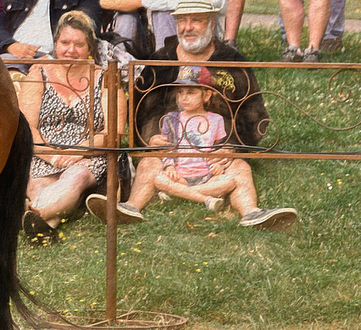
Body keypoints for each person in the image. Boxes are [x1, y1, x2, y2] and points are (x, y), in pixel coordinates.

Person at [92, 73, 297, 230]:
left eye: (190, 92)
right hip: (178, 175)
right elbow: (168, 147)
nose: (183, 98)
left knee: (238, 171)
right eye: (180, 93)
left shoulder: (216, 120)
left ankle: (251, 213)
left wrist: (220, 159)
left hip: (206, 177)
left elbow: (219, 145)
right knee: (149, 163)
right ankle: (130, 208)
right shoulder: (171, 119)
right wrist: (169, 164)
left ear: (207, 94)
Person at [17, 11, 123, 245]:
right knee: (40, 184)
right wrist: (54, 156)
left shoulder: (105, 78)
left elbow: (113, 133)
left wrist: (78, 151)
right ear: (55, 44)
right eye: (65, 43)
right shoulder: (38, 74)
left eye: (79, 44)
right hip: (43, 152)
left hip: (89, 155)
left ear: (90, 49)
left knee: (75, 176)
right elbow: (28, 129)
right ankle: (47, 224)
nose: (71, 50)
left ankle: (31, 213)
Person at [131, 0, 269, 151]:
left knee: (240, 174)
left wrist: (232, 146)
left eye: (196, 20)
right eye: (182, 20)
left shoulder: (231, 61)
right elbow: (139, 110)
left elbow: (255, 115)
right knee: (147, 172)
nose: (187, 27)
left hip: (217, 155)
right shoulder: (161, 60)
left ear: (211, 24)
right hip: (168, 152)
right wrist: (150, 137)